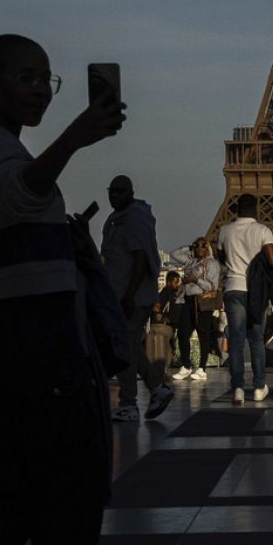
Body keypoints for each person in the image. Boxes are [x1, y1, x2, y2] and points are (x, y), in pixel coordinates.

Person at [0, 33, 125, 545]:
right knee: (72, 490)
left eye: (47, 79)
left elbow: (9, 219)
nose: (41, 89)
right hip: (27, 344)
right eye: (27, 78)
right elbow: (19, 192)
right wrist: (74, 137)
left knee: (24, 489)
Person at [103, 175, 173, 422]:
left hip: (131, 297)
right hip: (125, 295)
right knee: (130, 346)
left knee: (124, 347)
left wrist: (129, 296)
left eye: (120, 192)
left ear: (130, 192)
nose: (114, 196)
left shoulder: (132, 219)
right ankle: (157, 388)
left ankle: (129, 403)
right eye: (112, 191)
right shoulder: (119, 219)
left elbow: (141, 259)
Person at [216, 193, 273, 403]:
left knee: (236, 341)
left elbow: (221, 257)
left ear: (235, 209)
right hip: (256, 290)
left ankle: (238, 389)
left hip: (233, 287)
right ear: (256, 209)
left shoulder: (224, 231)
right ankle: (259, 387)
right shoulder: (262, 230)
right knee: (257, 340)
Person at [170, 238, 221, 381]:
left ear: (207, 248)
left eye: (203, 246)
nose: (199, 248)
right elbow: (173, 254)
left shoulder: (211, 264)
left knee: (203, 334)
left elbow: (212, 287)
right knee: (182, 333)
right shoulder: (190, 261)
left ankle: (201, 369)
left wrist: (195, 280)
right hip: (188, 300)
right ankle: (185, 366)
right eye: (197, 246)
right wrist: (189, 246)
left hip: (202, 301)